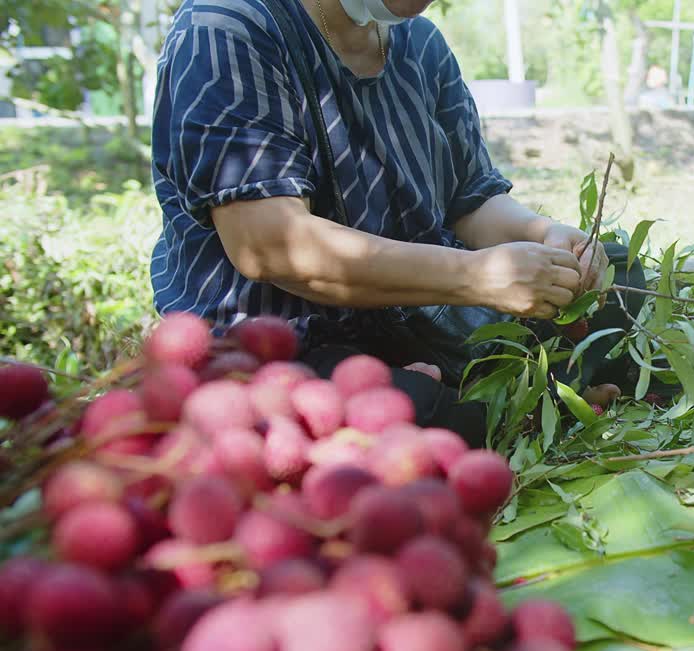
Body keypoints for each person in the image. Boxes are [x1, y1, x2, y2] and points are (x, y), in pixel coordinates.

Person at [149, 0, 641, 447]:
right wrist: (475, 278)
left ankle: (539, 398)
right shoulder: (230, 28)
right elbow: (270, 245)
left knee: (623, 280)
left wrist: (545, 236)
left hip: (417, 312)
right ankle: (527, 405)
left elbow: (470, 203)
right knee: (416, 418)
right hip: (287, 341)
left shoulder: (420, 44)